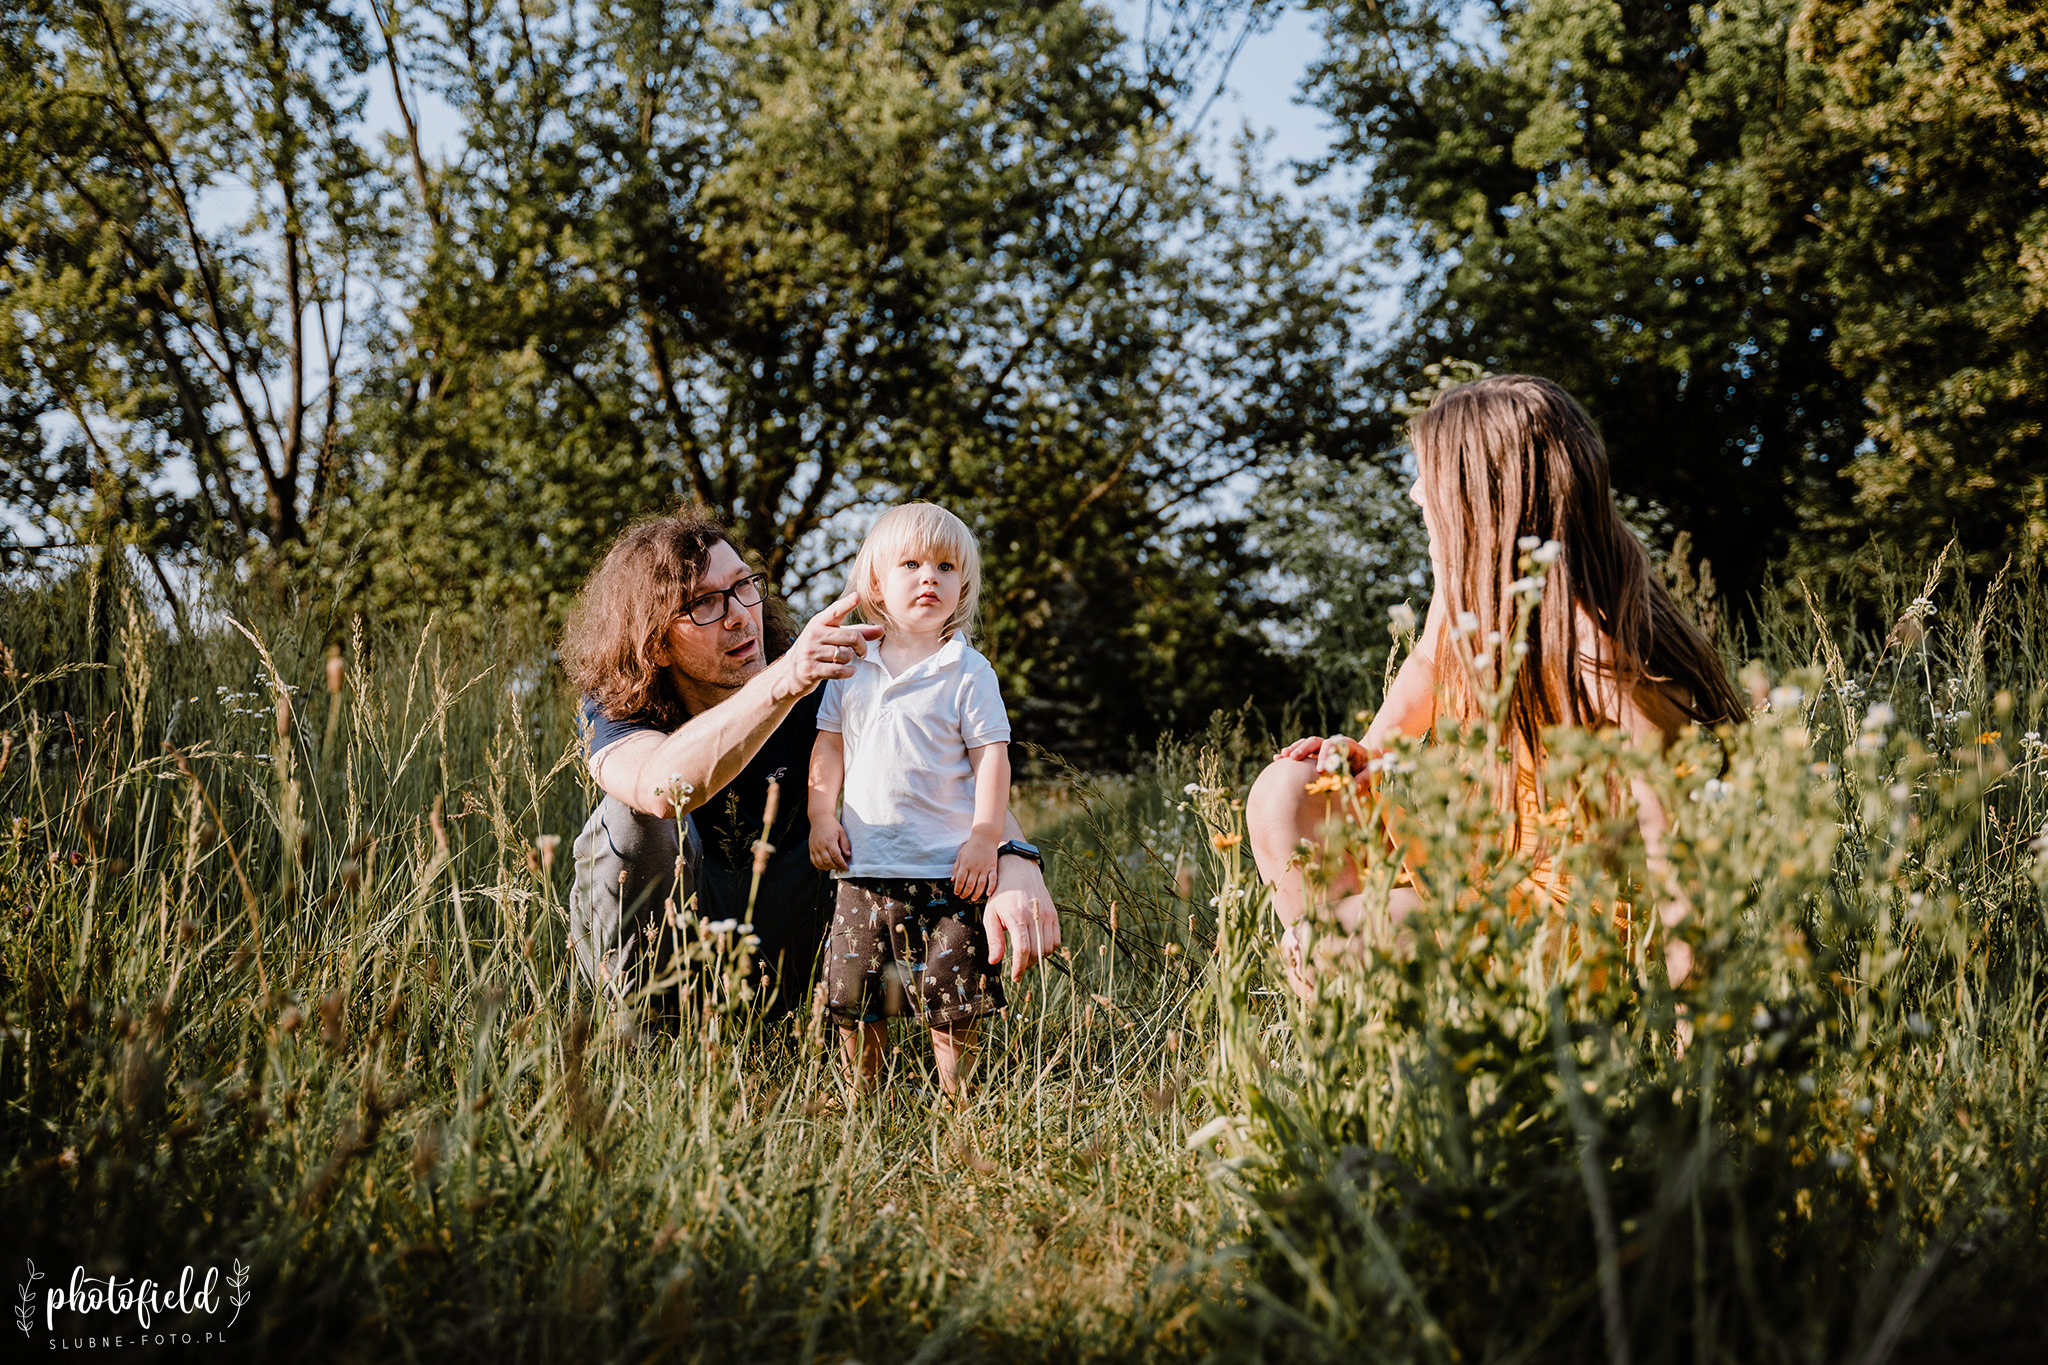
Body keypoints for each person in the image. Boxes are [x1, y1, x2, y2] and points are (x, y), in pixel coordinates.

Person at [1246, 374, 1745, 993]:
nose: (1414, 493)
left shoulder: (1605, 652)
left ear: (1485, 500)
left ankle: (1375, 984)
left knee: (1336, 940)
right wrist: (1367, 752)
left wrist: (1694, 1023)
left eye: (1429, 477)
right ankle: (1361, 1010)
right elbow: (1428, 665)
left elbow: (1678, 860)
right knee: (1288, 790)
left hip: (1565, 924)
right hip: (1476, 866)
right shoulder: (1467, 591)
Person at [559, 506, 1059, 1022]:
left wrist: (1012, 854)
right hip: (683, 932)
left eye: (743, 586)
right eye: (703, 603)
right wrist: (781, 683)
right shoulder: (619, 706)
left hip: (795, 920)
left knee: (846, 836)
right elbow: (659, 790)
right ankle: (642, 1034)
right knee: (629, 817)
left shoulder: (824, 680)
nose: (740, 615)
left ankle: (832, 1012)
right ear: (656, 643)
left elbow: (945, 767)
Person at [807, 503, 1016, 1096]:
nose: (930, 577)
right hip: (864, 867)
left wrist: (985, 836)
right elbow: (829, 748)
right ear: (876, 584)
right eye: (911, 565)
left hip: (949, 871)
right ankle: (862, 1100)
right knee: (855, 999)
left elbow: (992, 758)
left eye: (946, 567)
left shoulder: (968, 670)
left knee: (953, 1001)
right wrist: (820, 814)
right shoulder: (851, 666)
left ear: (962, 586)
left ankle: (959, 1103)